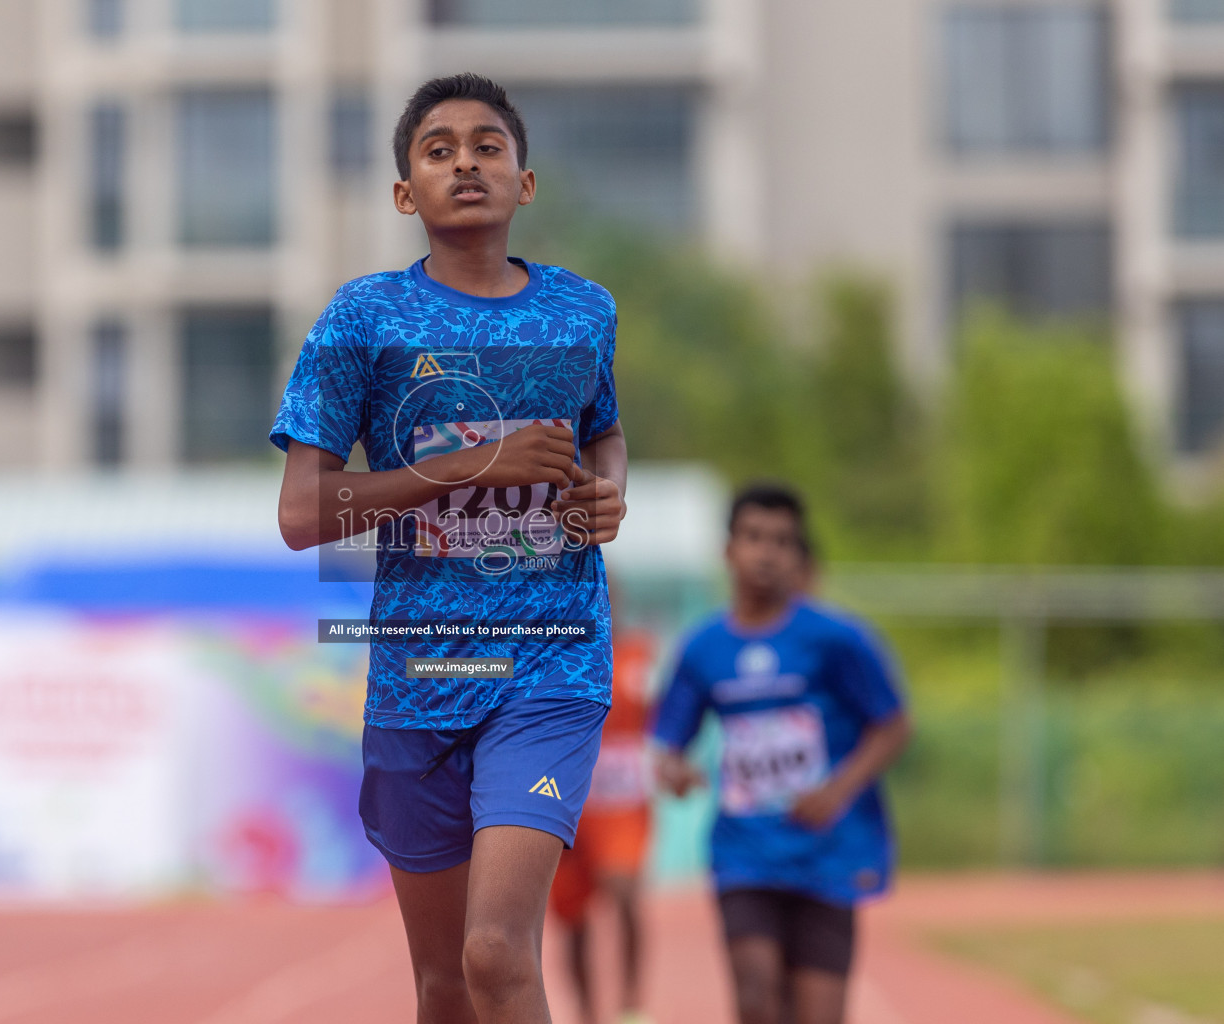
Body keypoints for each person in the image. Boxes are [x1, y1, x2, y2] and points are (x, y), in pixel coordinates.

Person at [271, 73, 627, 1024]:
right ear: (404, 194)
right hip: (421, 668)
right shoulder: (364, 319)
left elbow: (604, 432)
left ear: (525, 181)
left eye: (487, 145)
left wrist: (609, 492)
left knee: (496, 953)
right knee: (443, 985)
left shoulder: (583, 312)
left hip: (549, 666)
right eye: (438, 149)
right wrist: (473, 464)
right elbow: (303, 514)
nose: (465, 161)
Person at [651, 483, 911, 1024]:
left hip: (827, 852)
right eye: (753, 537)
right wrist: (676, 771)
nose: (766, 552)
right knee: (755, 995)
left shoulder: (838, 639)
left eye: (782, 540)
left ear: (798, 554)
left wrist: (837, 788)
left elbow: (893, 725)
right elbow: (670, 744)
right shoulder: (702, 648)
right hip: (745, 853)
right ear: (728, 550)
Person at [548, 618, 656, 1024]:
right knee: (574, 918)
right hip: (568, 803)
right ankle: (587, 1013)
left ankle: (631, 1005)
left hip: (622, 806)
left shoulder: (638, 656)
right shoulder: (551, 654)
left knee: (624, 890)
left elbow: (668, 713)